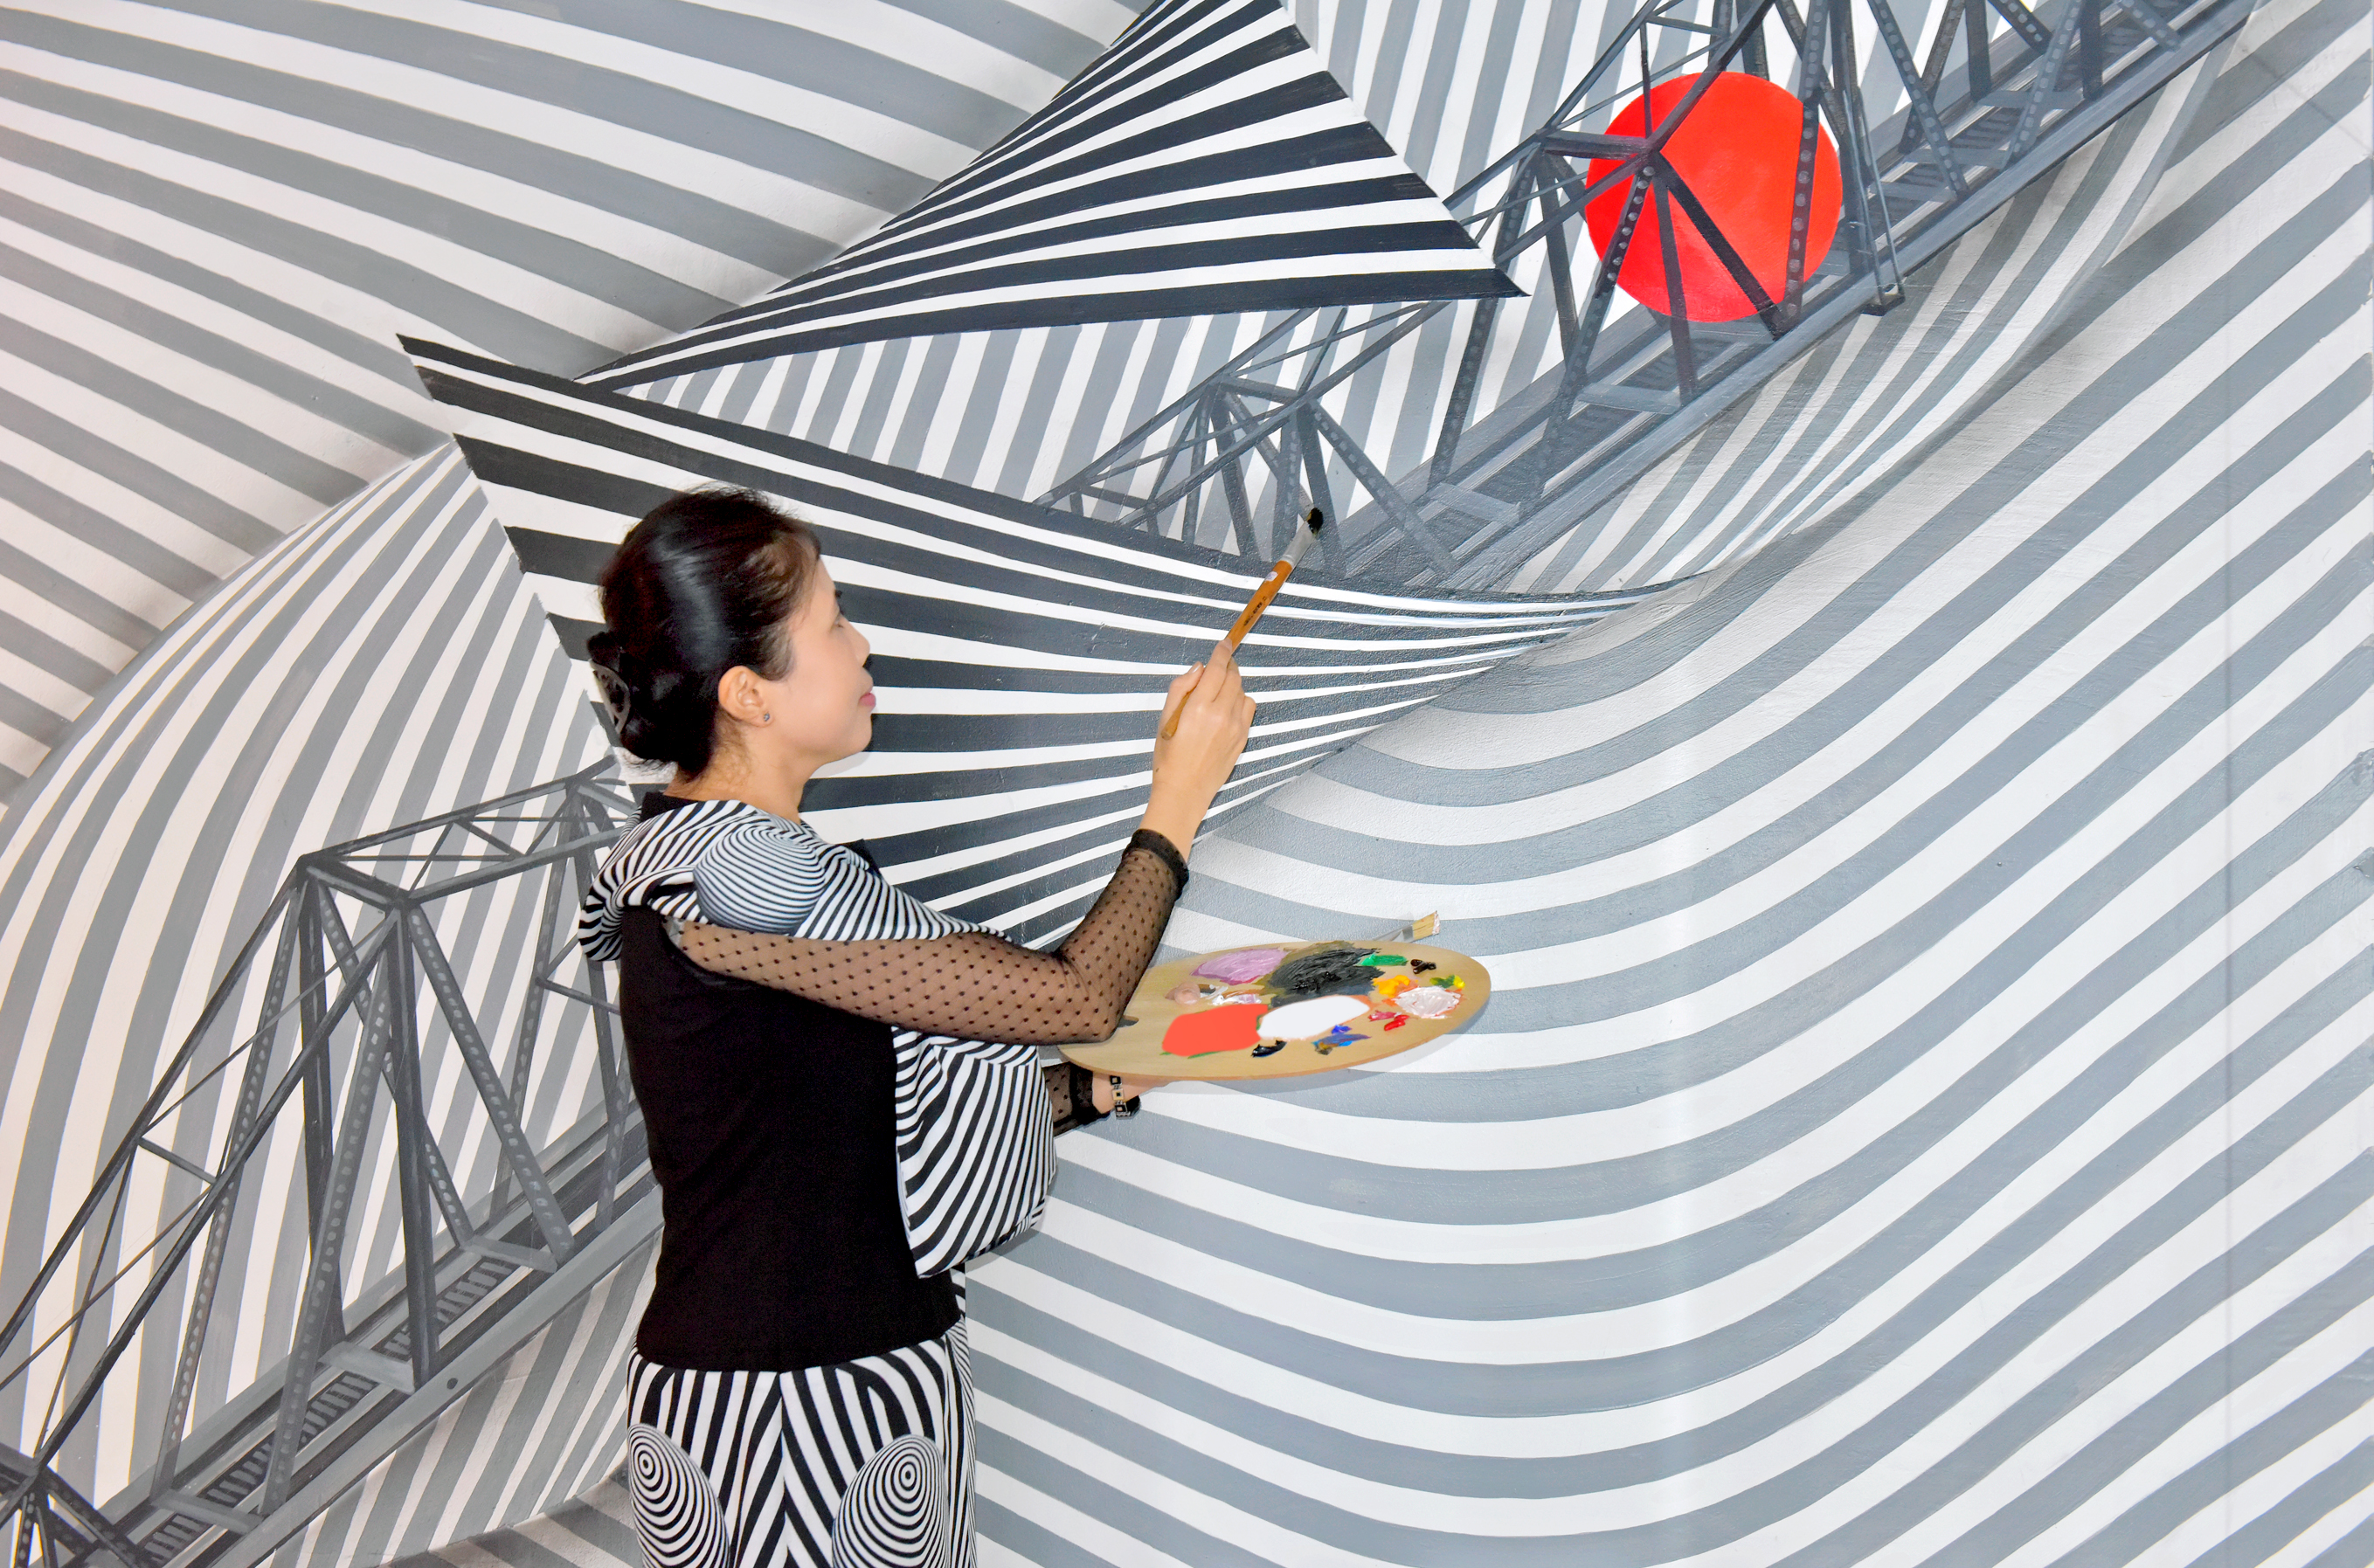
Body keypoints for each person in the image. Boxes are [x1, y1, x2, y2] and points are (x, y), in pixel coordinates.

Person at [573, 487, 1253, 1568]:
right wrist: (1178, 799)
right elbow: (1072, 999)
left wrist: (1100, 1086)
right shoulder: (745, 877)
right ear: (748, 692)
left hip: (792, 1382)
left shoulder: (681, 861)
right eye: (833, 620)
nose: (861, 645)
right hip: (806, 1405)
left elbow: (830, 1133)